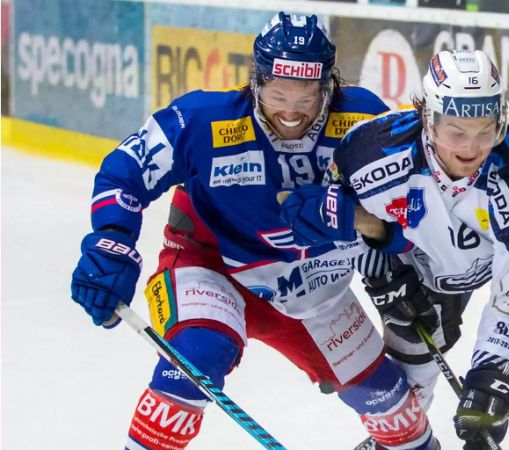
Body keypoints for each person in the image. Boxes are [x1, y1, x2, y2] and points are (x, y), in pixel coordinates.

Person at [70, 12, 439, 450]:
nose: (289, 111)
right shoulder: (205, 121)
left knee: (393, 408)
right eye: (276, 92)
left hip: (316, 284)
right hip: (209, 267)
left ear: (329, 86)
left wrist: (384, 239)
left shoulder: (365, 122)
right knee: (195, 361)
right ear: (255, 81)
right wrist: (111, 240)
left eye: (305, 96)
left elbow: (416, 212)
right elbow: (124, 173)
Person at [284, 50, 509, 449]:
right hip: (426, 262)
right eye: (456, 131)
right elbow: (345, 219)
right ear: (427, 118)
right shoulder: (369, 152)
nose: (471, 148)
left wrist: (494, 375)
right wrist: (379, 265)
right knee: (404, 389)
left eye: (485, 130)